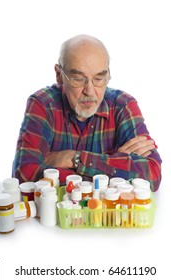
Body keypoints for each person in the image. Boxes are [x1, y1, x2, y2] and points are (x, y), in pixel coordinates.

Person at [12, 34, 162, 191]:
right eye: (78, 78)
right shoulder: (43, 104)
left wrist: (74, 159)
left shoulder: (123, 106)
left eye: (98, 79)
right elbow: (24, 177)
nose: (89, 91)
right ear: (59, 75)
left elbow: (152, 175)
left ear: (108, 75)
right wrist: (115, 165)